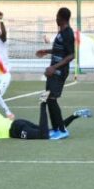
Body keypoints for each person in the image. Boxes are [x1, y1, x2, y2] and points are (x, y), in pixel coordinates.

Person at [0, 97, 91, 140]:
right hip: (17, 123)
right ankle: (74, 115)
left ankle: (42, 104)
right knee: (52, 130)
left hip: (15, 131)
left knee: (44, 135)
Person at [35, 8, 76, 139]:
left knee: (52, 98)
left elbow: (71, 55)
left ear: (61, 18)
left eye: (57, 17)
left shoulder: (68, 33)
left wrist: (54, 68)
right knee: (49, 98)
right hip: (54, 71)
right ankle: (57, 128)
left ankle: (62, 130)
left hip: (59, 71)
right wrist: (46, 51)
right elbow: (59, 50)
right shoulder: (61, 32)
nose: (55, 19)